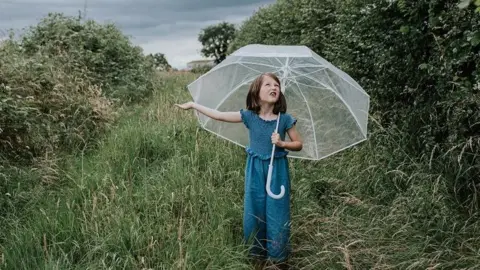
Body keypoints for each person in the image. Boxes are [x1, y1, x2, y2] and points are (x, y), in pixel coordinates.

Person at [175, 72, 302, 269]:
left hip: (276, 171)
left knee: (277, 212)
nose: (273, 87)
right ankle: (257, 254)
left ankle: (278, 258)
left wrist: (282, 142)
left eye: (276, 85)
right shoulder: (250, 116)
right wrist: (194, 105)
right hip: (256, 170)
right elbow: (219, 115)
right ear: (256, 92)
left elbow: (298, 144)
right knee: (255, 208)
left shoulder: (284, 120)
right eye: (267, 84)